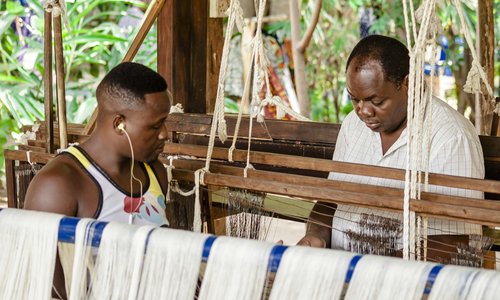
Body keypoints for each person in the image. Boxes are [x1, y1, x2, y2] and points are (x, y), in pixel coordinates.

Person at [297, 35, 485, 258]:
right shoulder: (352, 125)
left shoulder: (451, 137)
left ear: (408, 84)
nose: (363, 111)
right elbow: (330, 200)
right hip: (342, 269)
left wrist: (376, 271)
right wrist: (315, 235)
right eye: (354, 99)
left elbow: (455, 243)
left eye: (376, 102)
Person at [24, 62, 171, 298]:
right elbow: (44, 285)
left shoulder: (153, 172)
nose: (164, 133)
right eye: (155, 126)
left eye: (165, 122)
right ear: (119, 124)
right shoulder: (59, 184)